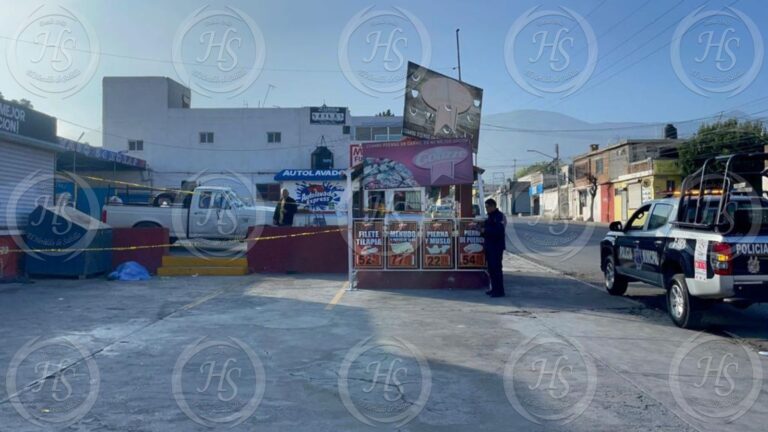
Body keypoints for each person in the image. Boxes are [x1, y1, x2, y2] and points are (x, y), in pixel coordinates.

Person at [482, 198, 507, 297]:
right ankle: (494, 289)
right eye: (486, 207)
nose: (486, 209)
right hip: (489, 246)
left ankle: (499, 291)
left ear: (493, 206)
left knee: (496, 269)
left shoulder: (499, 216)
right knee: (491, 269)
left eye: (488, 207)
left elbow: (499, 231)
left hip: (496, 247)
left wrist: (485, 230)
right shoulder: (490, 217)